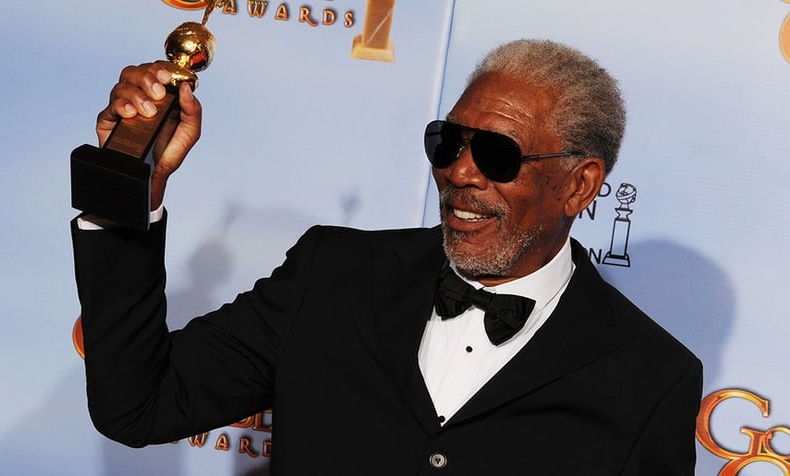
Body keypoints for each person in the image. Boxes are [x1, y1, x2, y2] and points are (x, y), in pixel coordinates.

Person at [72, 39, 702, 474]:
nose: (459, 171)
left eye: (498, 156)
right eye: (448, 142)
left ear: (580, 185)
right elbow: (138, 404)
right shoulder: (334, 274)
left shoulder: (650, 378)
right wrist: (129, 185)